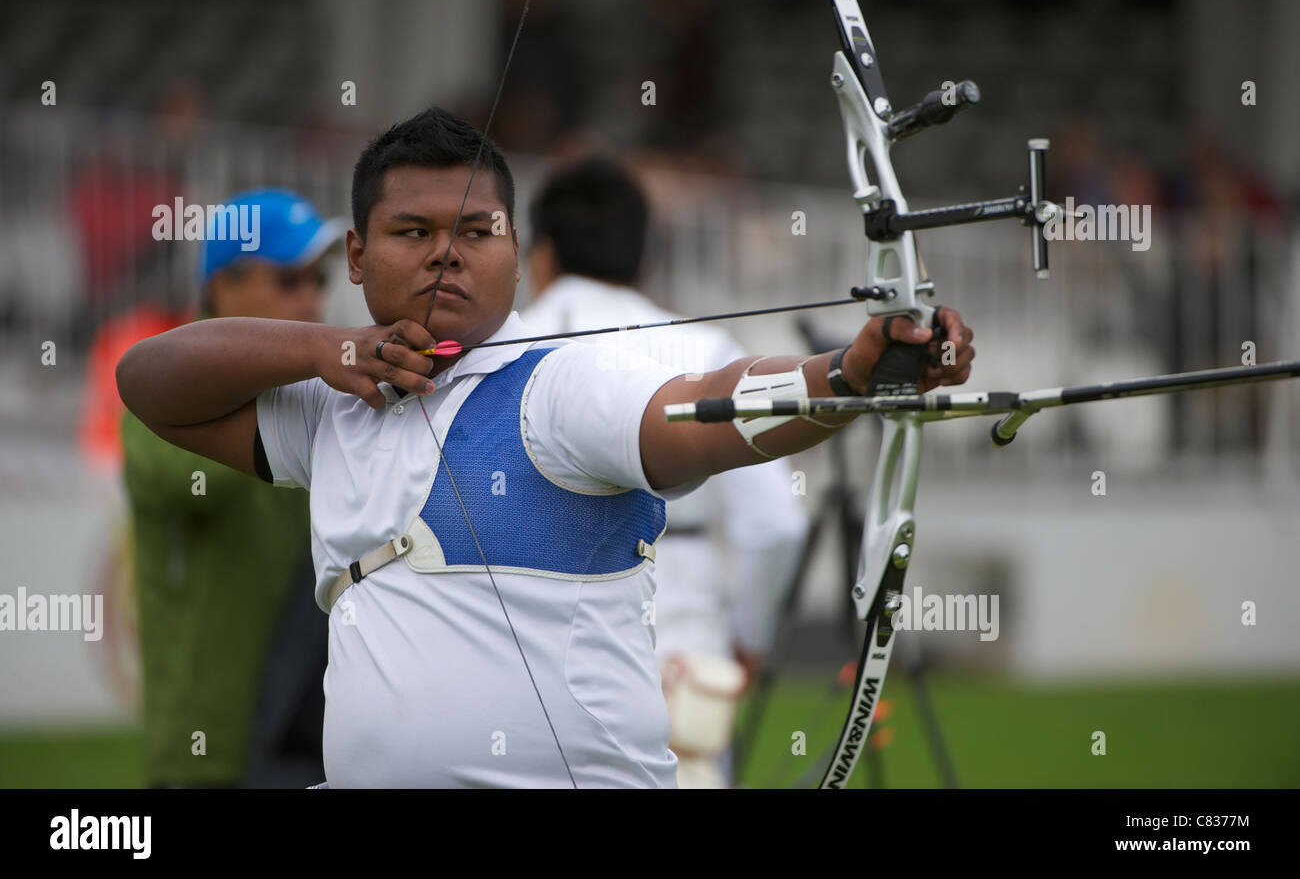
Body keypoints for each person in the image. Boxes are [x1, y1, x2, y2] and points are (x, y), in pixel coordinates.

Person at [116, 106, 974, 788]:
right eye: (413, 231)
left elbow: (699, 412)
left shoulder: (561, 387)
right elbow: (148, 381)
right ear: (356, 253)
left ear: (519, 253)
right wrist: (324, 350)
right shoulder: (331, 407)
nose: (447, 253)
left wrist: (847, 377)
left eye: (477, 231)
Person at [522, 156, 806, 788]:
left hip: (529, 649)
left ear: (540, 255)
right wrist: (748, 640)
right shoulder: (706, 350)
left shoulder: (507, 348)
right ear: (644, 258)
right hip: (682, 641)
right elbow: (776, 525)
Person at [121, 188, 342, 787]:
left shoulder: (310, 390)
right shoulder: (163, 387)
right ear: (221, 286)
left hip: (300, 738)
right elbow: (179, 480)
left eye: (317, 281)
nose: (312, 300)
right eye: (289, 280)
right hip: (206, 748)